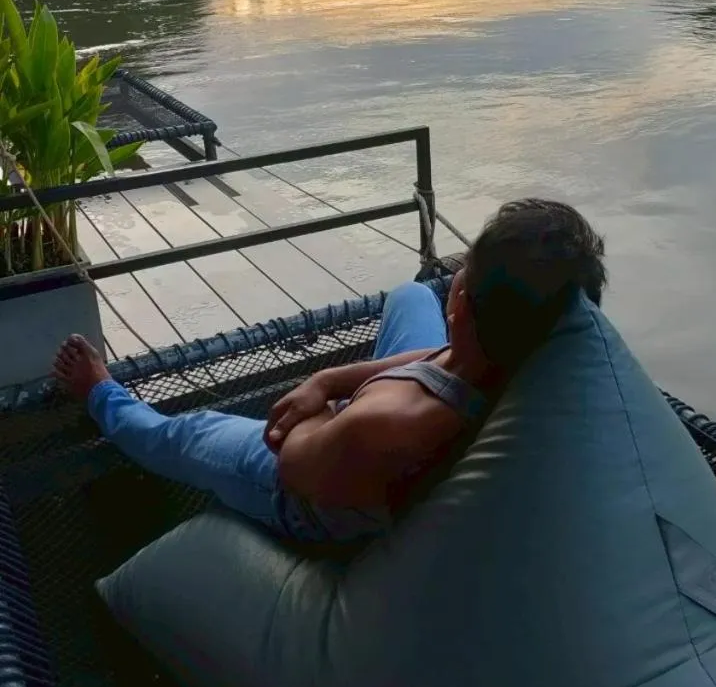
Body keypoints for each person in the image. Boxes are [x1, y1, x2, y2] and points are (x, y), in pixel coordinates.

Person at [53, 199, 607, 543]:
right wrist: (330, 380)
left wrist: (318, 409)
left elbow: (292, 459)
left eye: (460, 278)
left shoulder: (392, 424)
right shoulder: (520, 361)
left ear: (459, 308)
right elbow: (445, 361)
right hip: (374, 419)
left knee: (188, 432)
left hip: (306, 493)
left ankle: (101, 395)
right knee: (412, 295)